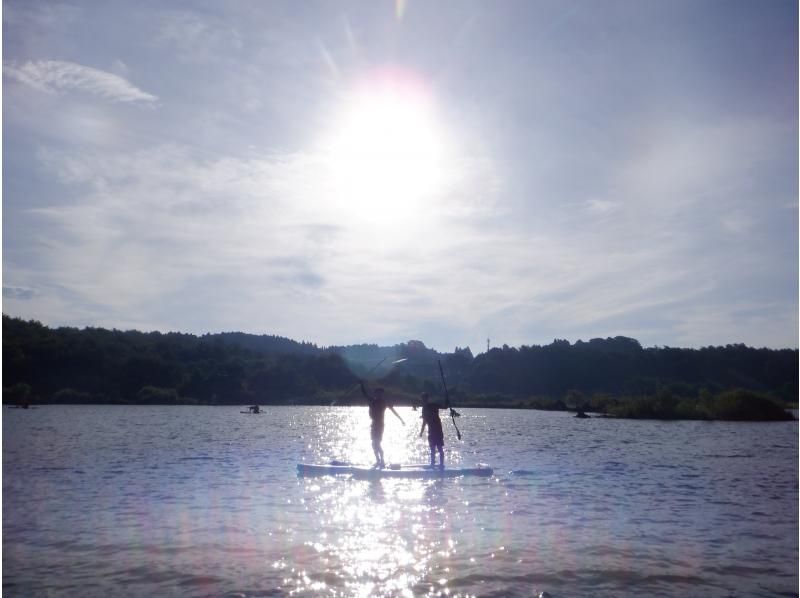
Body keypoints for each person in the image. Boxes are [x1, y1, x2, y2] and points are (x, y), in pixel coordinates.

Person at [360, 381, 404, 468]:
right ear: (375, 394)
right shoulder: (372, 400)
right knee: (373, 444)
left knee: (377, 443)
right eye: (378, 393)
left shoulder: (384, 402)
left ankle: (382, 461)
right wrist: (361, 385)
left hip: (380, 425)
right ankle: (378, 460)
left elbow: (393, 411)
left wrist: (401, 420)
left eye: (381, 393)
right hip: (373, 424)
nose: (379, 395)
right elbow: (365, 394)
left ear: (382, 394)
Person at [419, 392, 447, 468]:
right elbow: (424, 421)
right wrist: (421, 432)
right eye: (423, 399)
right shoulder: (424, 409)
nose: (424, 401)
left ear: (427, 399)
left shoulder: (433, 405)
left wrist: (446, 399)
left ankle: (441, 464)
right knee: (432, 448)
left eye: (425, 399)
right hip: (431, 430)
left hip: (437, 429)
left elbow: (445, 407)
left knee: (439, 447)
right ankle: (432, 464)